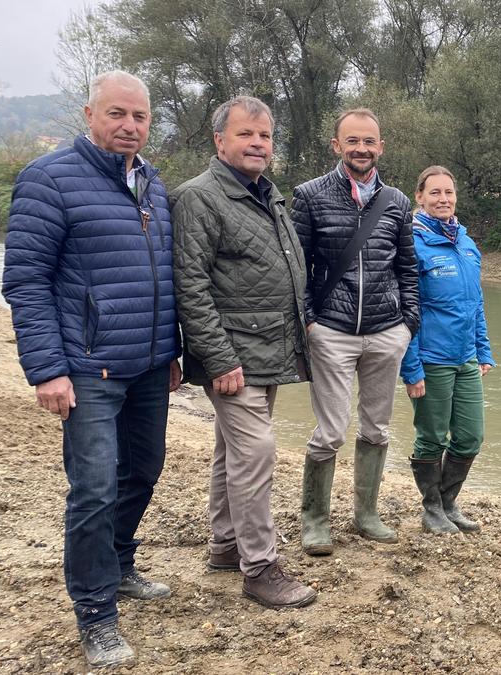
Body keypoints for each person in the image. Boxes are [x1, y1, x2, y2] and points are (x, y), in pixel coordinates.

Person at [1, 70, 181, 668]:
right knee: (95, 489)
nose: (130, 126)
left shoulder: (152, 184)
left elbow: (163, 277)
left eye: (140, 117)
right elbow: (26, 282)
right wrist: (47, 369)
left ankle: (122, 563)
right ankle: (97, 613)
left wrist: (172, 349)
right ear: (89, 114)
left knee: (145, 471)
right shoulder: (48, 179)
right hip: (86, 368)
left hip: (151, 365)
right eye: (118, 114)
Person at [171, 95, 317, 610]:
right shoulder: (200, 198)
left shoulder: (266, 195)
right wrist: (219, 358)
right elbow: (190, 286)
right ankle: (260, 568)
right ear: (219, 141)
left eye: (266, 136)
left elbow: (284, 271)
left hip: (269, 348)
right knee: (256, 454)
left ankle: (226, 545)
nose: (258, 143)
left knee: (232, 451)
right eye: (246, 134)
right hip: (233, 355)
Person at [292, 108, 418, 554]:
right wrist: (310, 321)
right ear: (336, 145)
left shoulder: (398, 202)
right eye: (353, 141)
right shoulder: (308, 196)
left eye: (369, 141)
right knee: (329, 432)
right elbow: (298, 267)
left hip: (387, 331)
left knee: (377, 429)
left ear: (380, 146)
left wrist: (408, 324)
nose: (361, 149)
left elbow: (407, 267)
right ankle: (315, 521)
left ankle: (366, 515)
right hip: (332, 331)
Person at [399, 166, 495, 534]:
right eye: (435, 193)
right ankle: (432, 508)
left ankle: (449, 502)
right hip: (431, 360)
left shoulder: (466, 244)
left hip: (466, 358)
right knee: (432, 437)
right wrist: (412, 367)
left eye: (449, 193)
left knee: (471, 435)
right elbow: (405, 311)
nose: (443, 199)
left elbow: (476, 303)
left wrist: (483, 350)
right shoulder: (412, 243)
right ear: (419, 196)